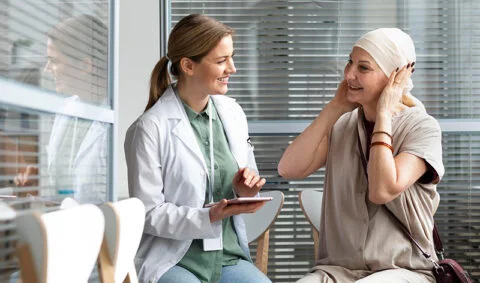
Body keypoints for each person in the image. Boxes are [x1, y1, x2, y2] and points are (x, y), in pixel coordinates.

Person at [278, 28, 444, 282]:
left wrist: (385, 115)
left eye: (363, 68)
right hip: (337, 271)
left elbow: (381, 190)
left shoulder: (422, 127)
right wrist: (334, 108)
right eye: (349, 62)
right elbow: (289, 169)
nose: (349, 75)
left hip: (404, 270)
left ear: (394, 76)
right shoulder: (342, 124)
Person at [124, 14, 272, 283]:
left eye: (232, 57)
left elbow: (244, 178)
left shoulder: (233, 113)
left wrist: (246, 189)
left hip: (227, 256)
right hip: (174, 258)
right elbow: (148, 213)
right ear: (188, 66)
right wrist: (208, 215)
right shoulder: (149, 128)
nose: (233, 68)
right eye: (221, 61)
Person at [14, 14, 109, 204]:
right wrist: (40, 182)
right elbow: (64, 184)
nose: (48, 69)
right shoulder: (67, 110)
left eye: (55, 61)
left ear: (85, 66)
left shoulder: (115, 120)